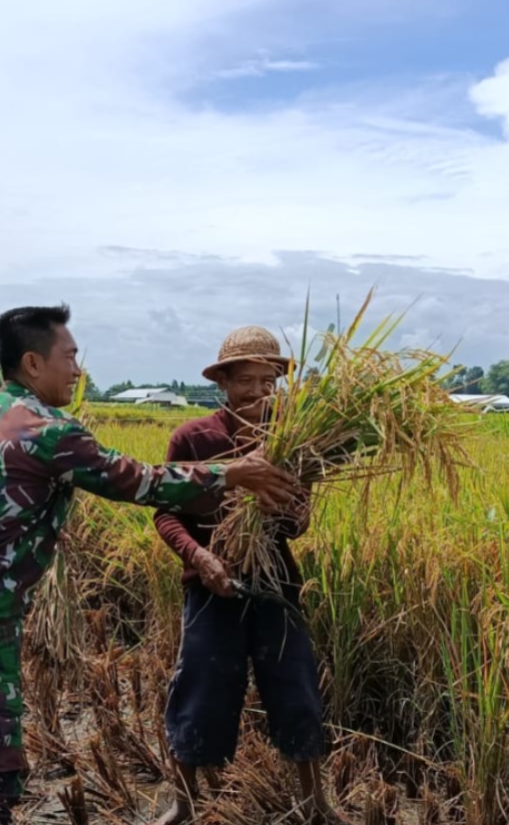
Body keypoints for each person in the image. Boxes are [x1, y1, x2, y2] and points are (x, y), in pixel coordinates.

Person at [0, 305, 301, 825]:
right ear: (32, 363)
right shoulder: (49, 430)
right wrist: (233, 474)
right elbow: (140, 481)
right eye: (69, 356)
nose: (77, 369)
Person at [152, 325, 348, 825]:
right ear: (224, 382)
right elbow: (165, 513)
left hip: (275, 585)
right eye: (248, 381)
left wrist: (284, 510)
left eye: (269, 382)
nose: (260, 393)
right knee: (200, 688)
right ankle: (185, 803)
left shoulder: (294, 439)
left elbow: (299, 523)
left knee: (295, 686)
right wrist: (200, 557)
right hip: (211, 585)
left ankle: (315, 801)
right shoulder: (194, 438)